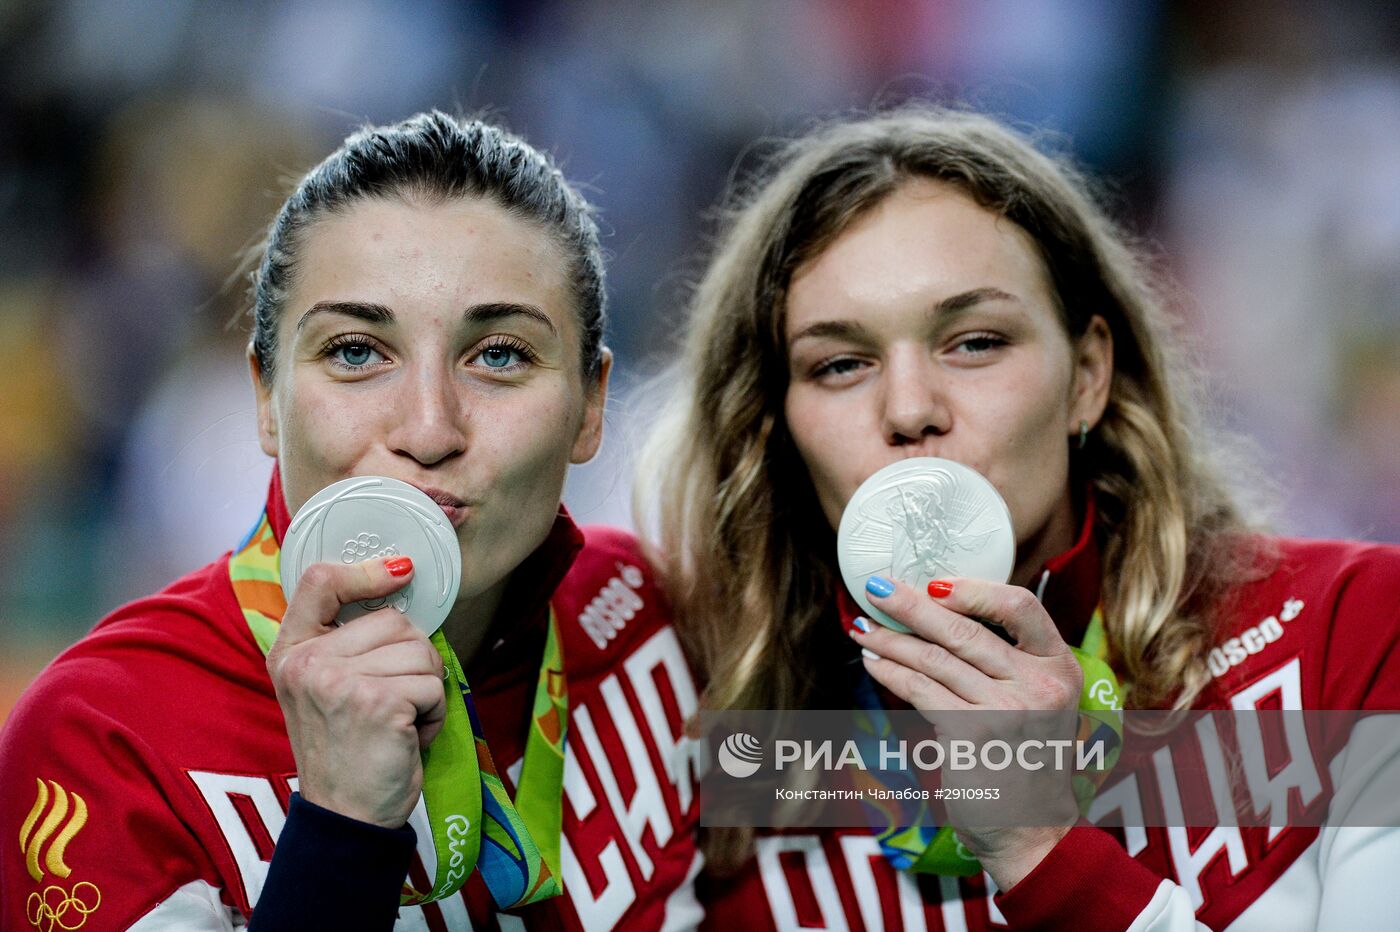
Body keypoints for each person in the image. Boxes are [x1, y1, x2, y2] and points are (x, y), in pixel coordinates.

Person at [637, 106, 1400, 930]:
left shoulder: (1349, 632)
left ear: (1088, 376)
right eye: (842, 363)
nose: (910, 408)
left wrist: (1042, 849)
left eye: (974, 342)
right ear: (776, 429)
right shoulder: (723, 754)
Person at [1, 112, 703, 931]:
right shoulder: (103, 736)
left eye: (501, 354)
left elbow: (850, 811)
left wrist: (893, 722)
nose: (429, 429)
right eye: (357, 352)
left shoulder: (655, 616)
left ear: (591, 405)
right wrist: (340, 828)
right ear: (266, 397)